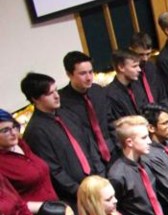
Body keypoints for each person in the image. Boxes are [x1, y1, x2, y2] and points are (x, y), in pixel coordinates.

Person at [20, 73, 105, 202]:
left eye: (56, 90)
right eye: (50, 93)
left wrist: (100, 175)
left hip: (97, 184)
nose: (56, 96)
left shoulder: (67, 113)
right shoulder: (35, 132)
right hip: (76, 197)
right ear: (35, 99)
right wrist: (81, 192)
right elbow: (53, 171)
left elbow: (89, 143)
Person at [58, 51, 115, 163]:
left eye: (90, 72)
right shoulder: (62, 101)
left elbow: (110, 119)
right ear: (69, 74)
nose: (89, 78)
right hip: (88, 157)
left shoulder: (98, 91)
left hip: (111, 148)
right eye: (83, 73)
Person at [0, 108, 58, 209]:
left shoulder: (21, 144)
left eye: (14, 127)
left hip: (55, 207)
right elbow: (11, 204)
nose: (13, 133)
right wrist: (43, 208)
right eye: (5, 131)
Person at [105, 50, 146, 126]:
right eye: (134, 66)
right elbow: (118, 125)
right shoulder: (110, 95)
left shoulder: (137, 85)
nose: (139, 69)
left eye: (138, 66)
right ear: (121, 67)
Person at [129, 31, 166, 108]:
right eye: (140, 55)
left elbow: (162, 94)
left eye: (148, 54)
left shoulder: (152, 67)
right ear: (131, 50)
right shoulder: (129, 73)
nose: (145, 59)